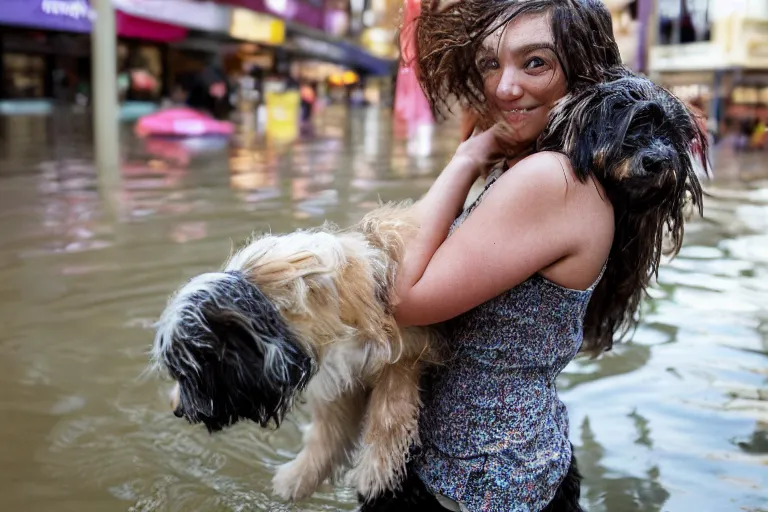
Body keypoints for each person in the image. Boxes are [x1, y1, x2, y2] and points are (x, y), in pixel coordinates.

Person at [359, 0, 707, 511]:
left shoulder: (554, 179)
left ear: (582, 70)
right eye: (489, 64)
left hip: (476, 484)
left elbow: (400, 298)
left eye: (535, 62)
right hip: (511, 467)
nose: (504, 88)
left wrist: (465, 160)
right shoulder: (567, 172)